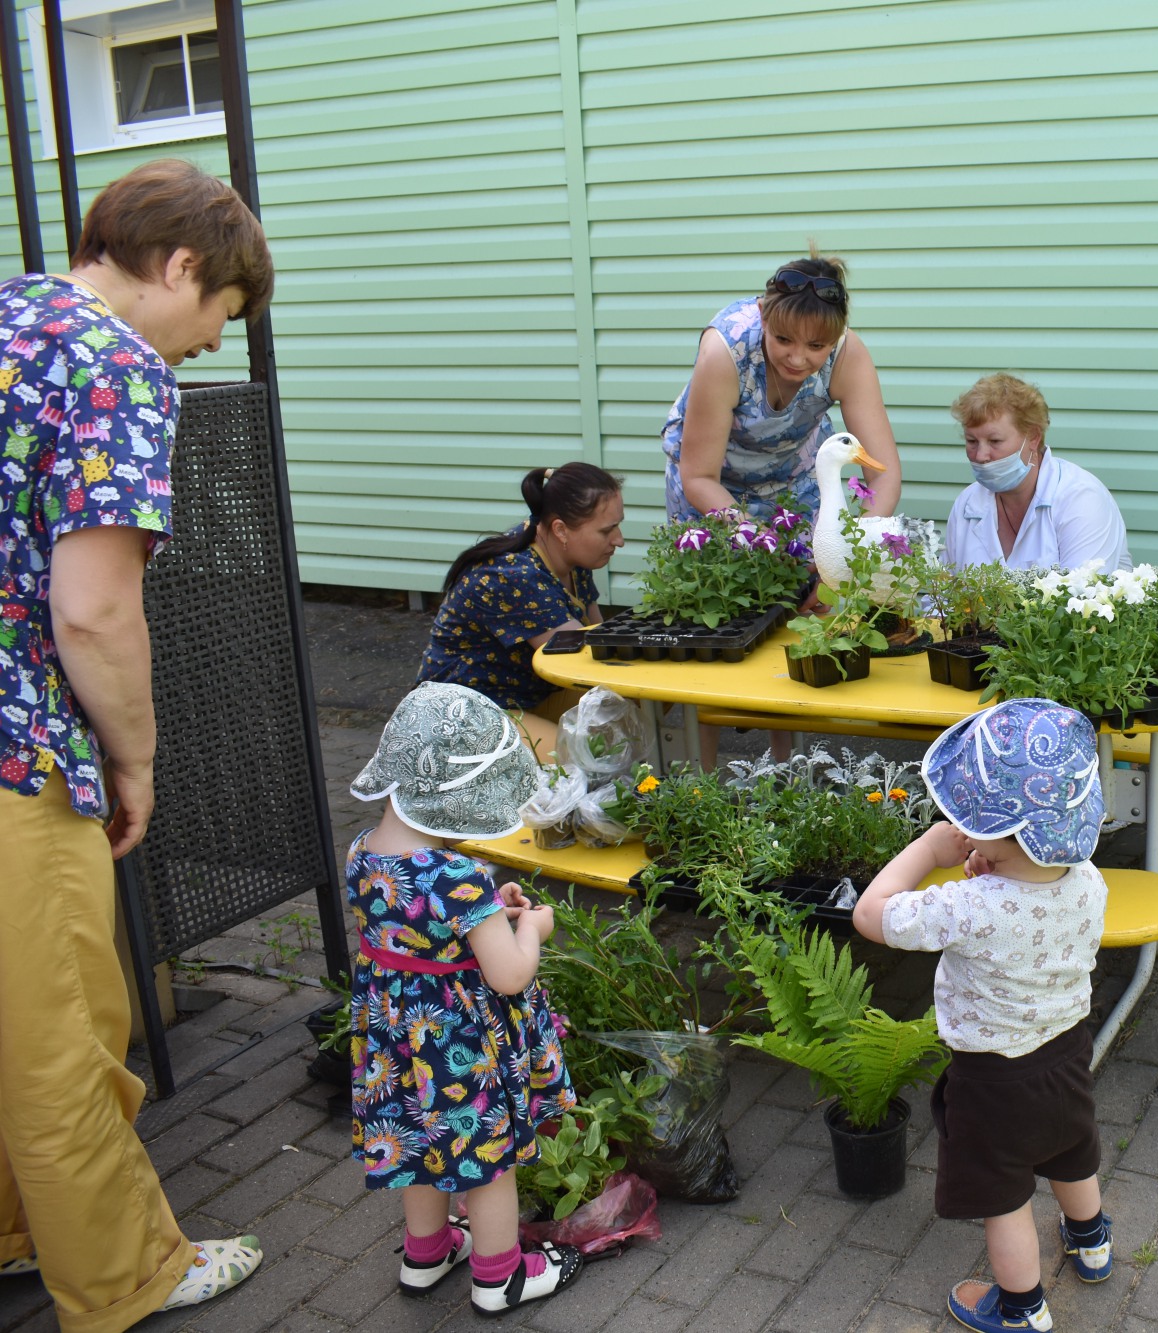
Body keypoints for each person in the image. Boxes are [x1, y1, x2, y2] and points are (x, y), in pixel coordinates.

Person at [0, 159, 273, 1331]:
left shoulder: (13, 310)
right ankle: (123, 1277)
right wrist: (137, 758)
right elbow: (94, 611)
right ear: (177, 268)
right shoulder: (114, 362)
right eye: (221, 310)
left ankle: (22, 1229)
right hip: (13, 748)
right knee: (62, 1030)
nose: (212, 341)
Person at [854, 700, 1113, 1333]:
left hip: (994, 1078)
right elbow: (1027, 899)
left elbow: (872, 914)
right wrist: (994, 861)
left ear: (1001, 831)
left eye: (970, 819)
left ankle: (1022, 1309)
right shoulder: (1089, 880)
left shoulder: (966, 907)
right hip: (1066, 1052)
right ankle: (1092, 1244)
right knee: (1073, 1151)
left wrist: (926, 848)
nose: (957, 824)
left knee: (1004, 1199)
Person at [346, 682, 585, 1313]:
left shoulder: (363, 854)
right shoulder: (457, 877)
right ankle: (499, 1276)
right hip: (460, 1050)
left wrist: (483, 913)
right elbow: (508, 976)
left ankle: (426, 1255)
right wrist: (529, 928)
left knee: (420, 1144)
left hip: (398, 1041)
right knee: (488, 1158)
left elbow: (412, 934)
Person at [660, 252, 901, 524]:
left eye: (816, 346)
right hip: (712, 487)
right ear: (763, 317)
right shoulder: (725, 351)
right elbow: (700, 478)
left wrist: (847, 545)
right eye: (784, 339)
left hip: (796, 478)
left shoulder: (848, 354)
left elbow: (884, 474)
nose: (797, 359)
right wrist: (761, 540)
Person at [416, 462, 623, 761]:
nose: (619, 539)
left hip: (524, 699)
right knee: (580, 757)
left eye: (618, 524)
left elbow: (599, 636)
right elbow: (580, 663)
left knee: (636, 704)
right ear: (561, 529)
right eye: (607, 530)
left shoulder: (567, 557)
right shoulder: (515, 575)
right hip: (461, 717)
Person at [943, 373, 1131, 571]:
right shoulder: (967, 503)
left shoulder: (1080, 498)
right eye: (971, 441)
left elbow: (1085, 596)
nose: (981, 455)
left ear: (1033, 437)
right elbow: (941, 595)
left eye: (994, 441)